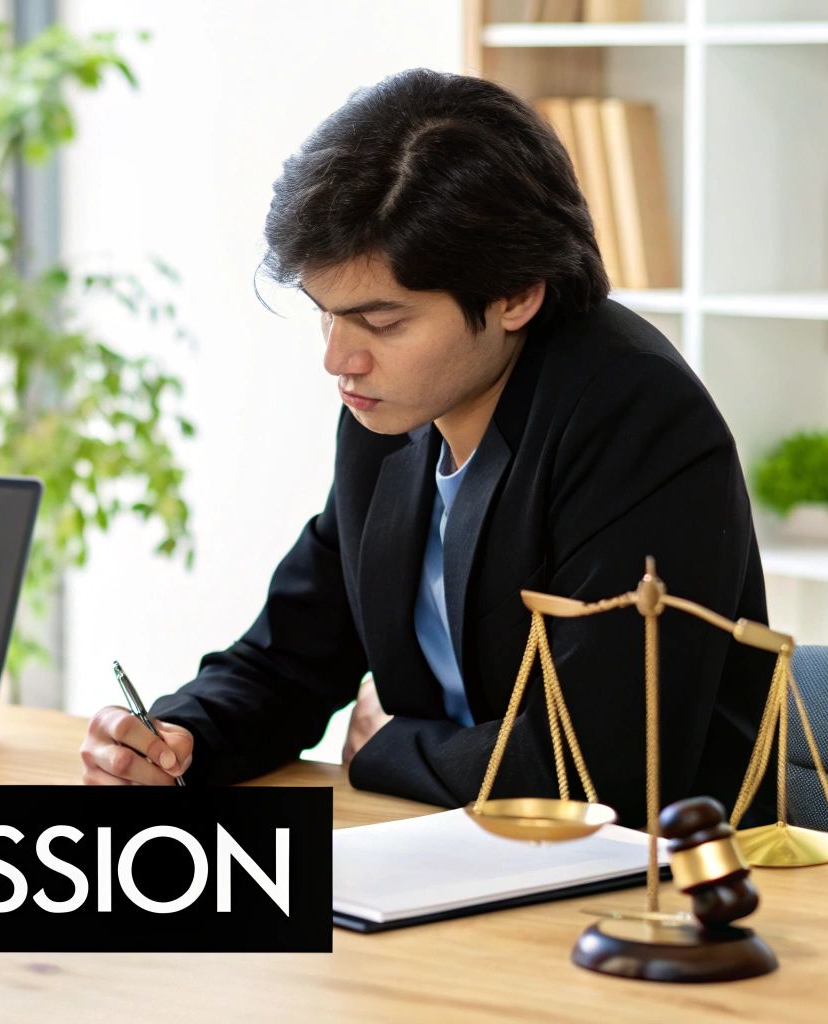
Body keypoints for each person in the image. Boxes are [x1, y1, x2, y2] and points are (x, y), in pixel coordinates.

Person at [79, 69, 773, 828]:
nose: (338, 359)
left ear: (516, 294)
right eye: (326, 315)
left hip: (657, 889)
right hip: (444, 849)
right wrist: (180, 738)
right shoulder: (394, 412)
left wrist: (388, 747)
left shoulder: (635, 416)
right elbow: (291, 655)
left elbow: (595, 769)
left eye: (380, 323)